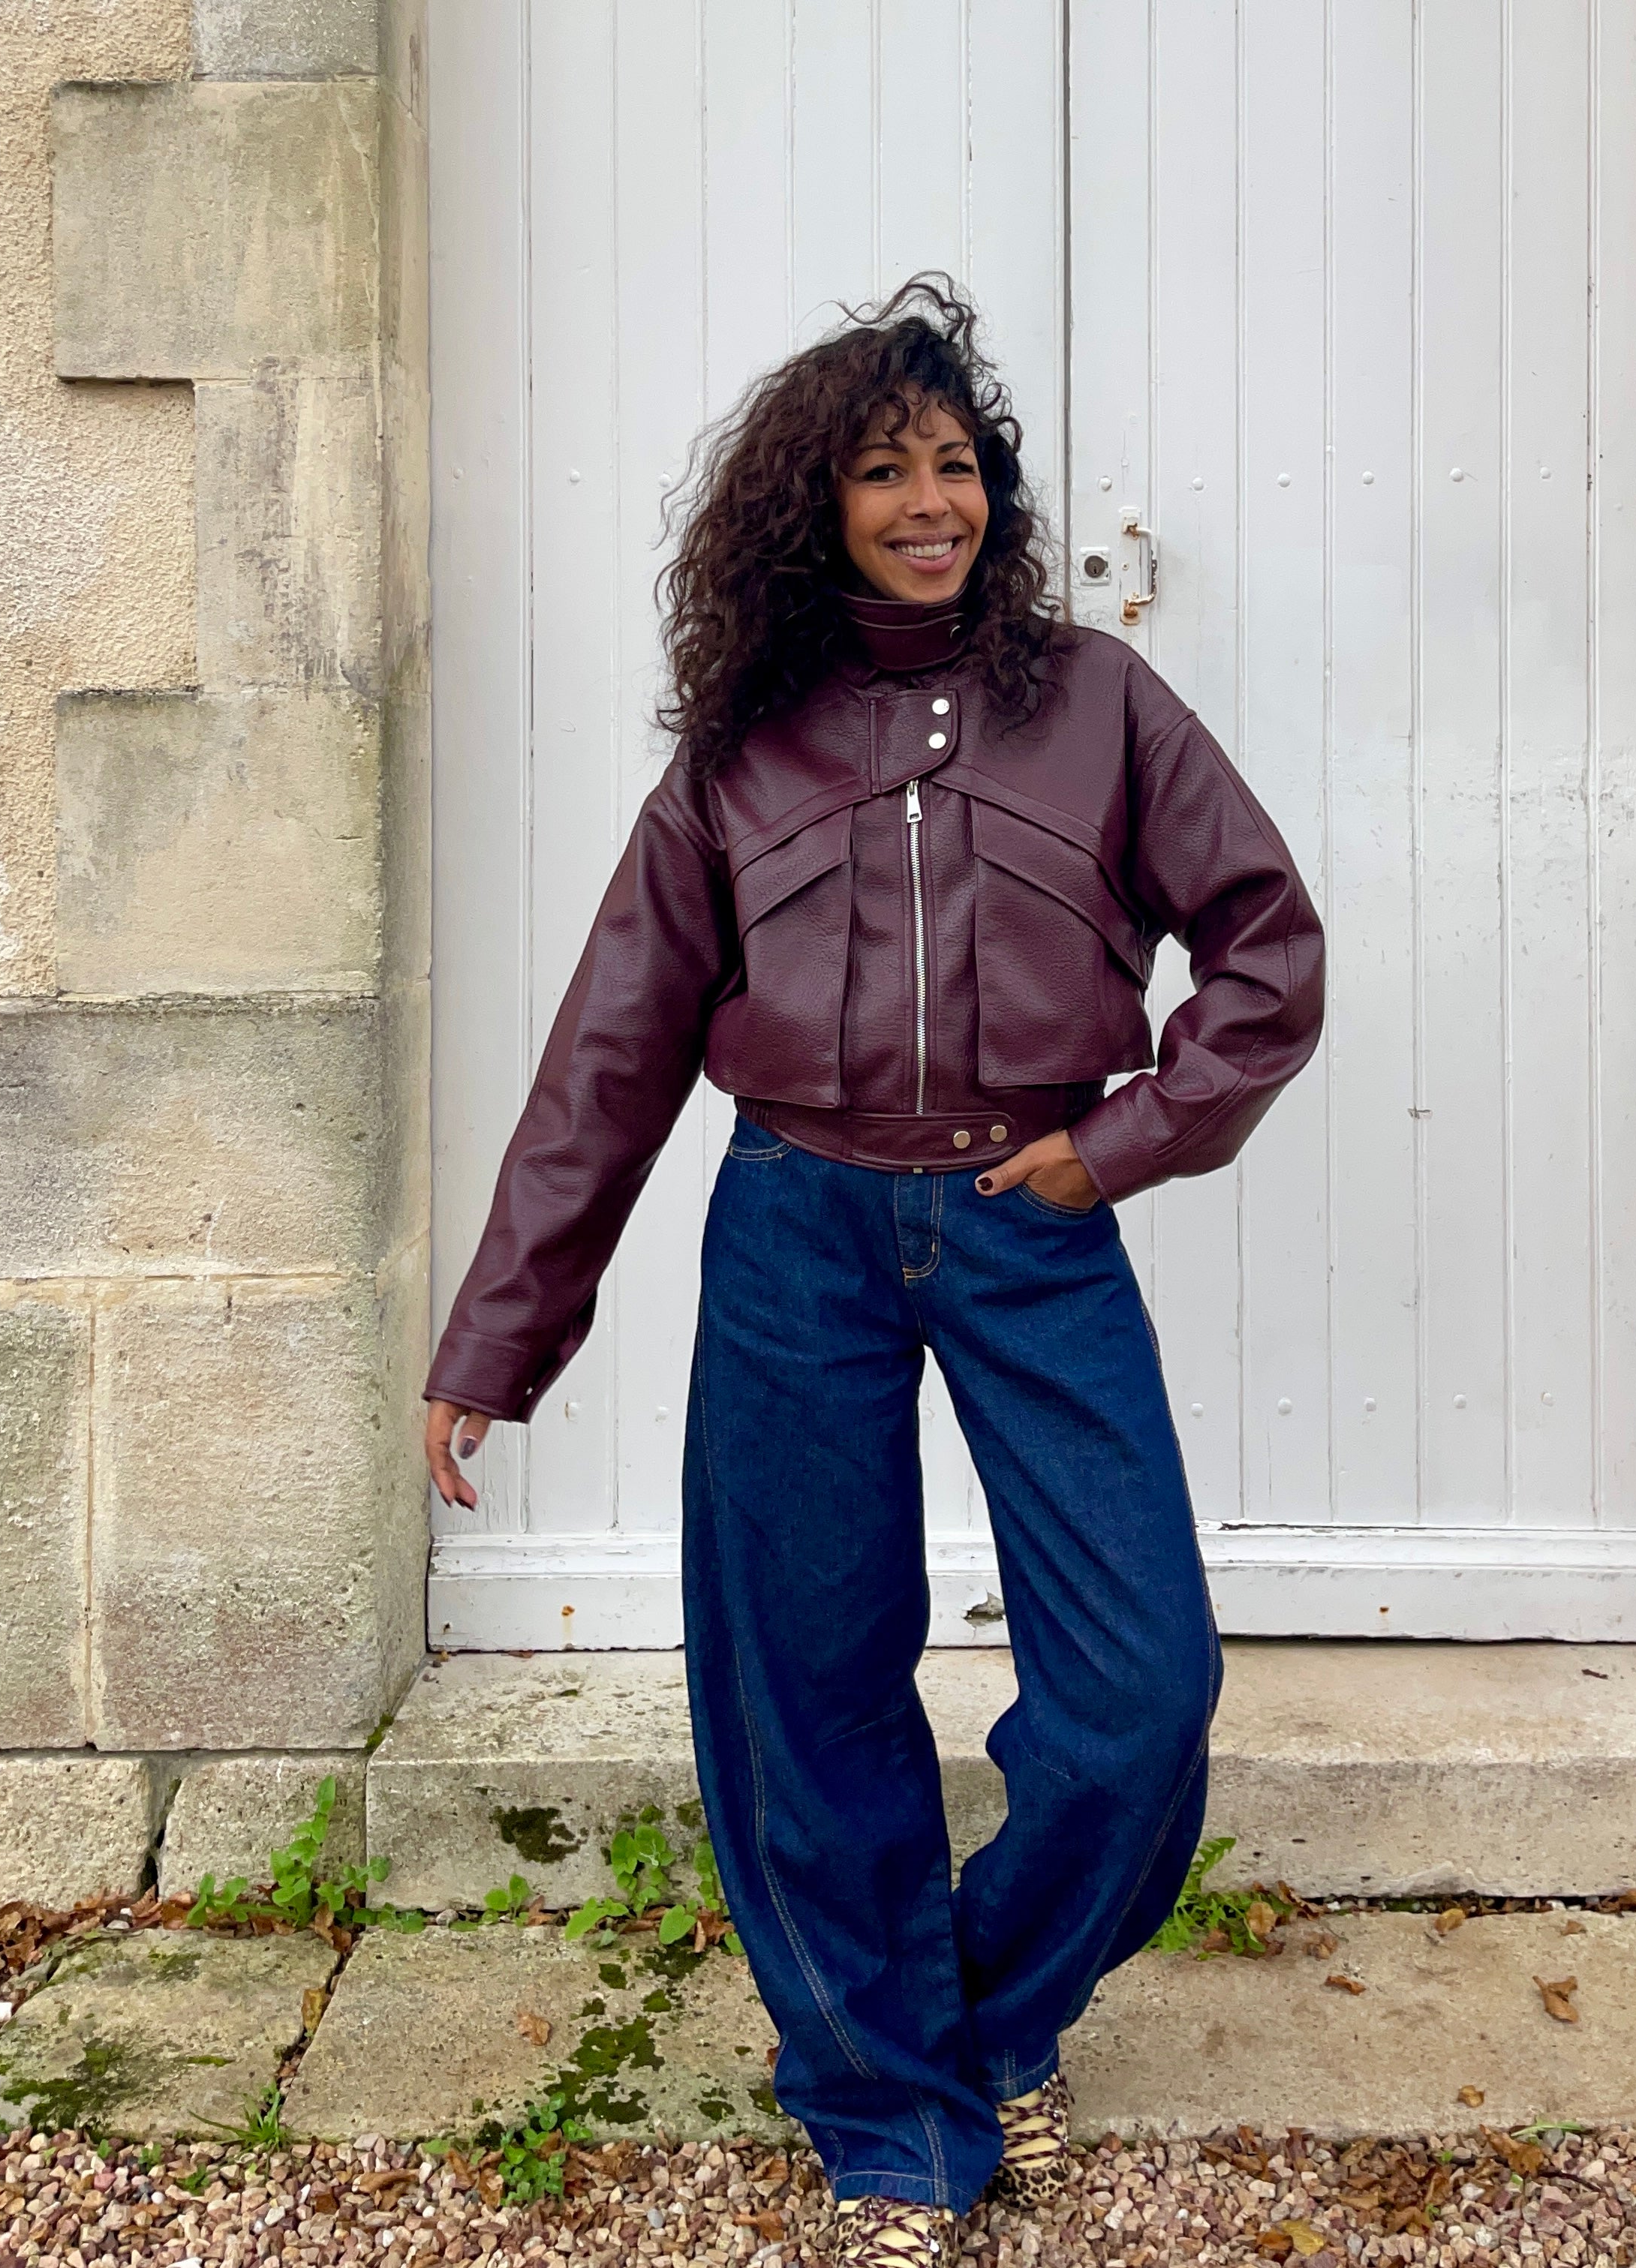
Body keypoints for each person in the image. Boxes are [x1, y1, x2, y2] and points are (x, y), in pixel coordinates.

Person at [421, 276, 1325, 2266]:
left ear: (993, 491)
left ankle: (963, 2015)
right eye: (881, 468)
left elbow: (1269, 948)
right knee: (803, 1680)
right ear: (809, 505)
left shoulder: (1097, 702)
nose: (931, 501)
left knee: (1143, 1691)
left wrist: (1126, 1140)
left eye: (956, 465)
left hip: (1031, 1222)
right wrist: (504, 1327)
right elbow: (613, 1048)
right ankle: (887, 2109)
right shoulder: (745, 748)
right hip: (794, 1231)